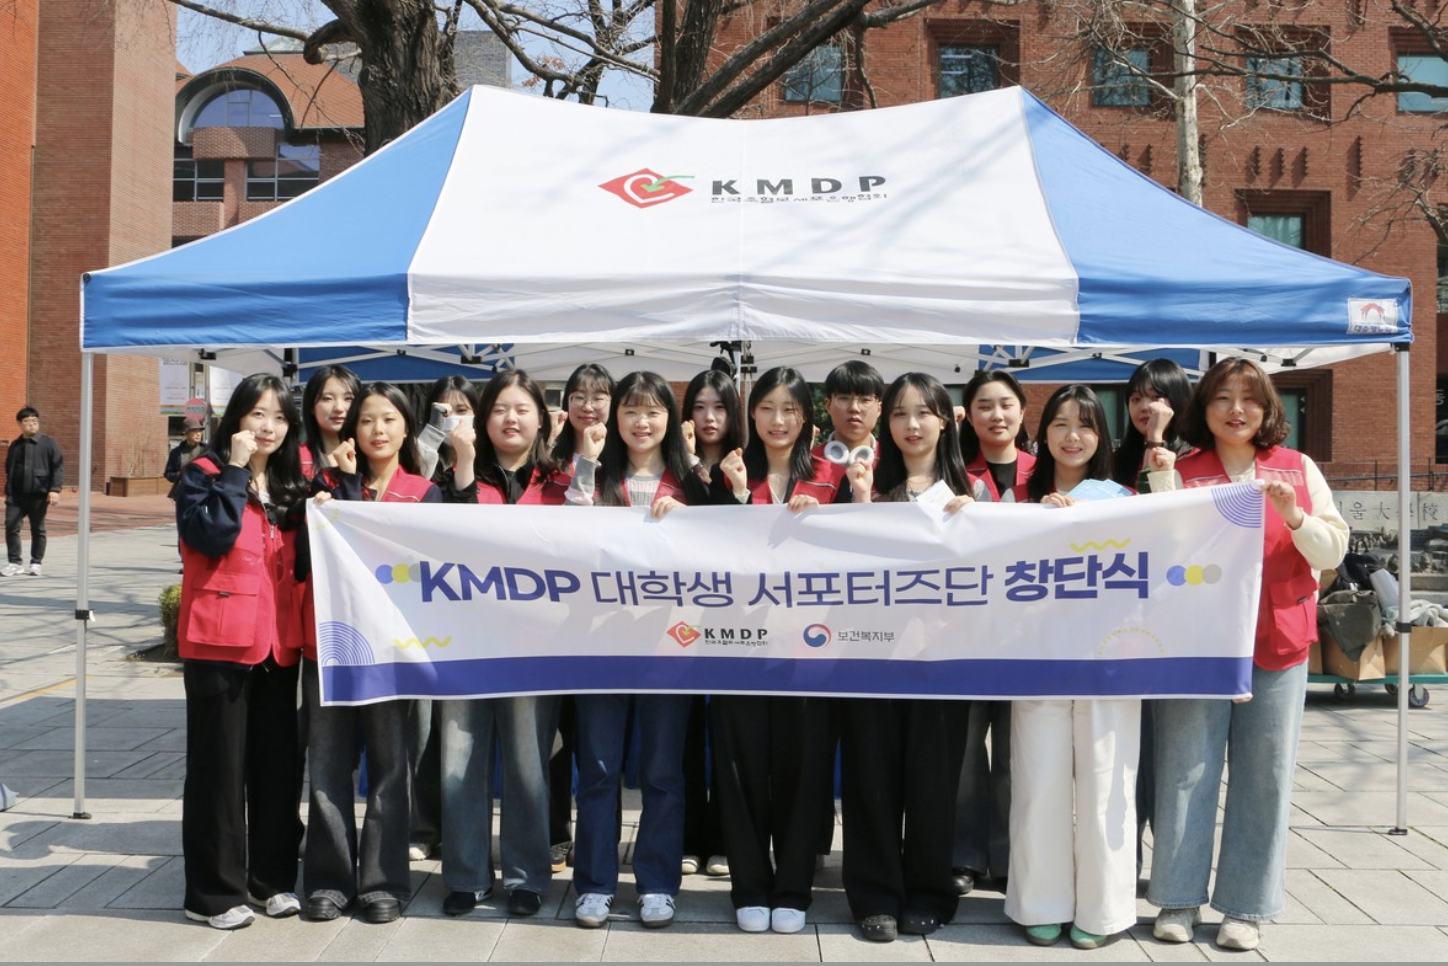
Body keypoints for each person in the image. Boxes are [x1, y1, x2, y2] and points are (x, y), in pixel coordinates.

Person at [1145, 358, 1347, 952]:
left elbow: (1332, 550)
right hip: (1198, 644)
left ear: (1267, 409)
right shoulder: (1182, 470)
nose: (1236, 409)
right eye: (1222, 398)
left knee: (1266, 774)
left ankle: (1245, 906)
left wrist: (1294, 515)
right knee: (1185, 768)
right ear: (1203, 408)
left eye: (1250, 398)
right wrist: (1161, 482)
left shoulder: (1298, 468)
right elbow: (1159, 547)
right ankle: (1178, 898)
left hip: (1278, 640)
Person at [839, 372, 979, 944]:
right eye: (899, 413)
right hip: (871, 657)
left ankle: (928, 891)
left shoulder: (971, 493)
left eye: (924, 412)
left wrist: (975, 525)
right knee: (870, 777)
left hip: (943, 662)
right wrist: (860, 504)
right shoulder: (863, 485)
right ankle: (874, 895)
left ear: (945, 420)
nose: (911, 424)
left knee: (933, 782)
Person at [1000, 384, 1139, 950]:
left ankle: (1104, 910)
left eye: (1085, 424)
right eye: (1060, 423)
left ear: (1102, 436)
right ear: (1043, 433)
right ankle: (1040, 901)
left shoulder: (1125, 499)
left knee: (1108, 782)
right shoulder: (1016, 499)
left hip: (1109, 661)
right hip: (1038, 658)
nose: (1072, 435)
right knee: (1039, 781)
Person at [711, 366, 844, 934]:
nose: (778, 419)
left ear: (807, 418)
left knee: (804, 770)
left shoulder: (836, 477)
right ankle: (748, 885)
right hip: (736, 647)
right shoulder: (725, 473)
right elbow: (702, 548)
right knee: (739, 771)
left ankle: (792, 886)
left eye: (790, 409)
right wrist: (739, 498)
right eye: (766, 408)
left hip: (810, 649)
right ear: (751, 414)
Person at [174, 374, 308, 930]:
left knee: (277, 768)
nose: (268, 426)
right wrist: (234, 470)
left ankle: (271, 880)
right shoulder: (202, 474)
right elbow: (210, 537)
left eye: (278, 417)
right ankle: (212, 894)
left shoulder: (290, 484)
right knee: (219, 772)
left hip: (278, 644)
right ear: (236, 420)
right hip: (218, 642)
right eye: (257, 414)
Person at [305, 382, 441, 925]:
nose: (377, 430)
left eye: (388, 419)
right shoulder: (327, 486)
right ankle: (328, 879)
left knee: (390, 767)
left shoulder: (424, 493)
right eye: (366, 420)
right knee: (327, 765)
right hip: (331, 647)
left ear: (407, 428)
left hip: (391, 651)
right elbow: (306, 563)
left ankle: (383, 881)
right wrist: (333, 491)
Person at [565, 370, 694, 930]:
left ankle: (658, 883)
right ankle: (594, 885)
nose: (642, 422)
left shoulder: (693, 482)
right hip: (601, 645)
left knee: (663, 772)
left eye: (653, 411)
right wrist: (588, 465)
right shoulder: (596, 476)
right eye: (631, 411)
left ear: (670, 418)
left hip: (670, 649)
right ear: (615, 417)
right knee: (598, 770)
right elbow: (568, 537)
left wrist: (689, 521)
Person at [433, 371, 562, 918]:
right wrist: (463, 464)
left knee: (529, 763)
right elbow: (449, 541)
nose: (511, 418)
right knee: (459, 760)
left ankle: (527, 876)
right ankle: (466, 875)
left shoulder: (562, 483)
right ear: (483, 418)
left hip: (535, 646)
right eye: (500, 409)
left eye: (522, 408)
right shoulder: (455, 477)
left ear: (541, 419)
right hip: (464, 645)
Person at [952, 369, 1034, 894]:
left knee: (1014, 753)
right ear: (969, 414)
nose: (996, 415)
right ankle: (964, 855)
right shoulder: (954, 474)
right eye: (984, 405)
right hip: (965, 636)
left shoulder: (1045, 473)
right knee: (963, 752)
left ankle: (1007, 857)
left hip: (1031, 639)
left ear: (1023, 411)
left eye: (1005, 404)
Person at [406, 374, 481, 863]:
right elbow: (415, 484)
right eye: (442, 410)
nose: (453, 418)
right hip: (420, 610)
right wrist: (433, 436)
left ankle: (460, 826)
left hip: (473, 617)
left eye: (462, 409)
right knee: (422, 727)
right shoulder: (419, 456)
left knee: (461, 732)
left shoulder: (485, 463)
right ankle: (422, 825)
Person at [546, 362, 616, 872]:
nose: (588, 406)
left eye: (599, 397)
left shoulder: (625, 458)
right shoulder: (547, 459)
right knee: (554, 739)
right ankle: (555, 833)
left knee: (595, 745)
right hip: (552, 621)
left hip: (607, 624)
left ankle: (597, 846)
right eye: (579, 396)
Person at [677, 365, 744, 877]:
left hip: (733, 617)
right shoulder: (674, 466)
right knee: (684, 734)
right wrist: (688, 467)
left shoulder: (745, 464)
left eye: (719, 407)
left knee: (728, 733)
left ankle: (723, 838)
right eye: (698, 407)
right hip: (677, 617)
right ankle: (688, 837)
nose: (709, 417)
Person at [4, 406, 64, 577]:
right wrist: (9, 491)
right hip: (16, 496)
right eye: (27, 421)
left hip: (39, 495)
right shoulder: (15, 445)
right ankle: (14, 563)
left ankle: (36, 562)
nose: (31, 424)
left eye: (34, 421)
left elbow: (58, 467)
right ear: (19, 424)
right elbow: (9, 468)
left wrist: (54, 489)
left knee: (38, 529)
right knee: (11, 527)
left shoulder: (48, 443)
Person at [300, 366, 361, 480]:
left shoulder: (372, 458)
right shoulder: (297, 460)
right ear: (311, 406)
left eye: (348, 399)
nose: (339, 408)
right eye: (327, 398)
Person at [164, 417, 208, 500]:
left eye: (199, 431)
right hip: (183, 495)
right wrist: (179, 474)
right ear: (186, 433)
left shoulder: (207, 451)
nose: (198, 434)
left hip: (203, 494)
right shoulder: (176, 453)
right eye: (194, 431)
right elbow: (168, 474)